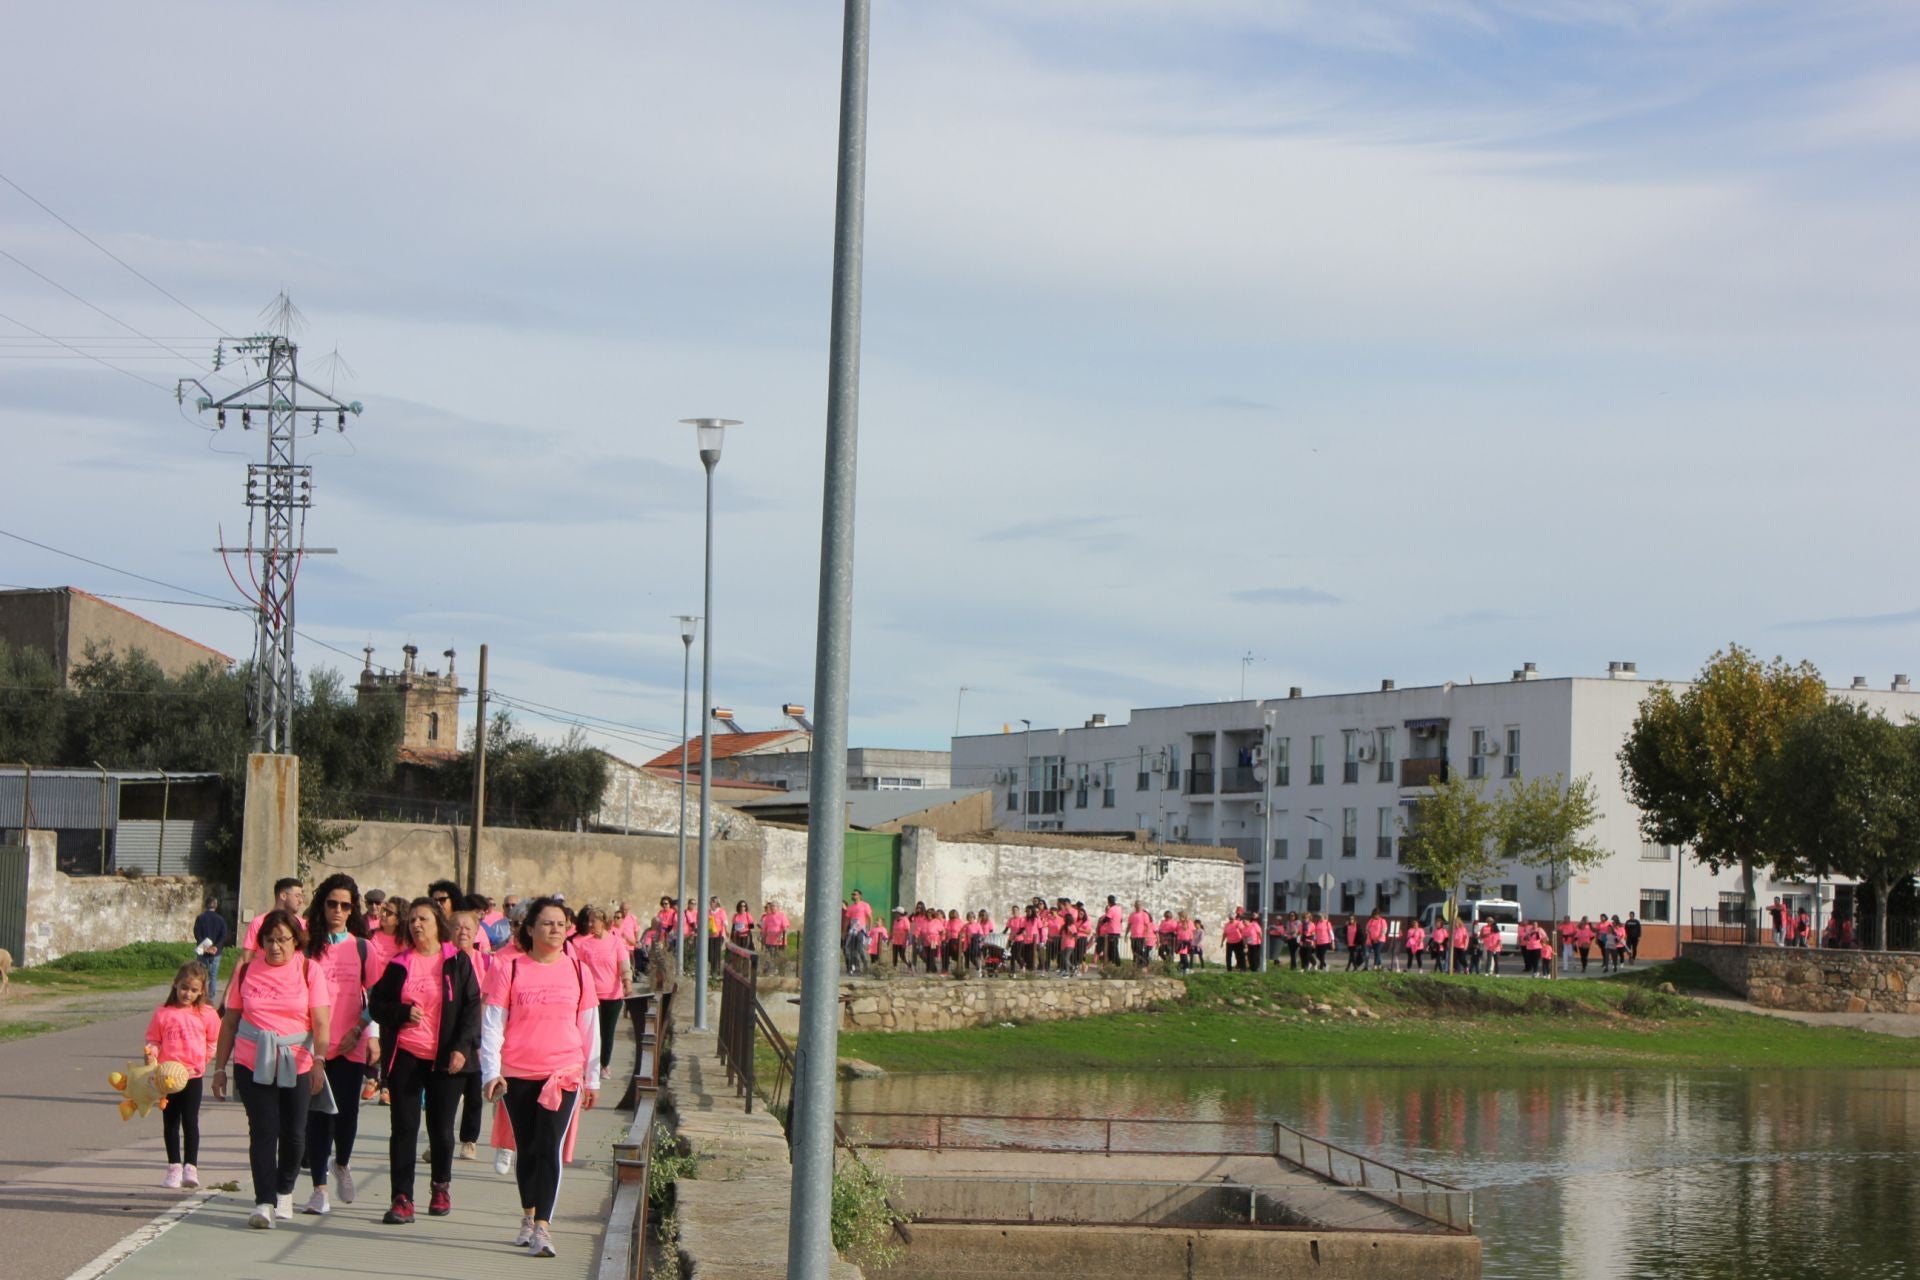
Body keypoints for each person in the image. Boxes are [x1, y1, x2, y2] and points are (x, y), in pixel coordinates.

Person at [480, 897, 601, 1258]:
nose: (555, 930)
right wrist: (491, 1072)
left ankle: (544, 1227)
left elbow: (590, 1027)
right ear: (529, 929)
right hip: (518, 1073)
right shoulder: (511, 969)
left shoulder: (579, 971)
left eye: (561, 924)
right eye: (547, 923)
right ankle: (529, 1215)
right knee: (527, 1148)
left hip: (563, 1072)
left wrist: (591, 1079)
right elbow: (492, 1025)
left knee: (549, 1146)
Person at [211, 907, 331, 1230]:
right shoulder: (247, 971)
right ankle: (264, 1202)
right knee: (263, 1130)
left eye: (282, 940)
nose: (275, 947)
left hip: (298, 1061)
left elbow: (320, 1022)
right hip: (253, 1061)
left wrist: (319, 1060)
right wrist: (220, 1068)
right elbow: (231, 1021)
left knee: (294, 1134)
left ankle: (285, 1188)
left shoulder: (310, 971)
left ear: (297, 941)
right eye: (269, 940)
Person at [370, 897, 482, 1224]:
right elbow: (377, 1004)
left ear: (438, 924)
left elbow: (471, 1009)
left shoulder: (457, 962)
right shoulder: (399, 963)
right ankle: (402, 1198)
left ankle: (440, 1186)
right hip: (406, 1055)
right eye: (413, 920)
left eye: (424, 919)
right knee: (403, 1128)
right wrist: (402, 1012)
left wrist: (462, 1048)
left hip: (447, 1060)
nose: (417, 925)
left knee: (441, 1128)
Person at [298, 875, 377, 1216]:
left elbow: (377, 995)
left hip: (350, 1044)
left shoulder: (363, 947)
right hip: (312, 1046)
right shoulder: (305, 947)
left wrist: (365, 1032)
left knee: (346, 1115)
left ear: (352, 910)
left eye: (346, 905)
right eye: (332, 903)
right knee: (318, 1118)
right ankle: (318, 1189)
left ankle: (342, 1162)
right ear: (322, 905)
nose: (338, 910)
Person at [147, 961, 220, 1189]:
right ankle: (173, 1167)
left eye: (194, 990)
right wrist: (152, 1058)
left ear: (202, 991)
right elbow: (154, 1040)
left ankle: (191, 1167)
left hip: (192, 1077)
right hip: (167, 1078)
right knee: (170, 1122)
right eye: (184, 988)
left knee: (190, 1121)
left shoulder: (206, 1014)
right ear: (175, 985)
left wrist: (202, 1062)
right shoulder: (163, 1013)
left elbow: (213, 1042)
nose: (187, 993)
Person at [450, 907, 491, 1160]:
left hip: (479, 1032)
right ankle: (440, 1139)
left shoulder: (486, 961)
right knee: (444, 1094)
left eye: (468, 927)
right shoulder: (442, 959)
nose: (463, 931)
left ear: (477, 932)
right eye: (457, 926)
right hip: (448, 1033)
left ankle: (469, 1139)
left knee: (474, 1091)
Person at [573, 906, 628, 1075]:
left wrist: (628, 982)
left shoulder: (616, 942)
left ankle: (604, 1064)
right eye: (588, 921)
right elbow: (579, 970)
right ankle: (588, 1066)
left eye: (593, 921)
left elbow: (624, 964)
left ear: (604, 922)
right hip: (590, 996)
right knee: (590, 1033)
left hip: (613, 995)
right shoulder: (585, 945)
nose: (590, 924)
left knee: (607, 1031)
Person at [241, 878, 308, 963]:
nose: (301, 901)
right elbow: (247, 958)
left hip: (295, 975)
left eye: (302, 897)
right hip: (265, 974)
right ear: (283, 896)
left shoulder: (303, 924)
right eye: (297, 896)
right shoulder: (259, 922)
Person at [191, 896, 228, 1003]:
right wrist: (216, 946)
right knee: (213, 976)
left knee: (200, 974)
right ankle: (210, 998)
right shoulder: (220, 919)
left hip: (203, 950)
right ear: (215, 906)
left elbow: (197, 933)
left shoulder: (200, 918)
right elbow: (223, 935)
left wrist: (205, 946)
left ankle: (200, 994)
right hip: (216, 952)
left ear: (205, 904)